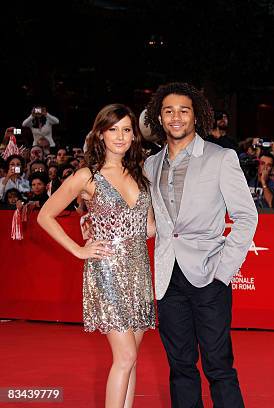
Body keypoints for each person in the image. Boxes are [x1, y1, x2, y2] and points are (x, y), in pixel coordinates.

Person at [144, 82, 257, 408]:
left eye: (183, 110)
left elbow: (246, 217)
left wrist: (223, 272)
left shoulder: (220, 157)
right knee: (180, 367)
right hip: (168, 279)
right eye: (168, 111)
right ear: (159, 118)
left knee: (218, 366)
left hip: (209, 275)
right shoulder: (151, 165)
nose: (176, 117)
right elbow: (155, 225)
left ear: (196, 116)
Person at [38, 104, 156, 408]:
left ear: (134, 135)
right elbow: (45, 215)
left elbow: (150, 228)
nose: (120, 136)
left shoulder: (140, 173)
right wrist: (79, 249)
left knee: (132, 359)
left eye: (127, 129)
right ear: (100, 134)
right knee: (125, 355)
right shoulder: (86, 177)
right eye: (113, 129)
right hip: (106, 271)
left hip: (140, 271)